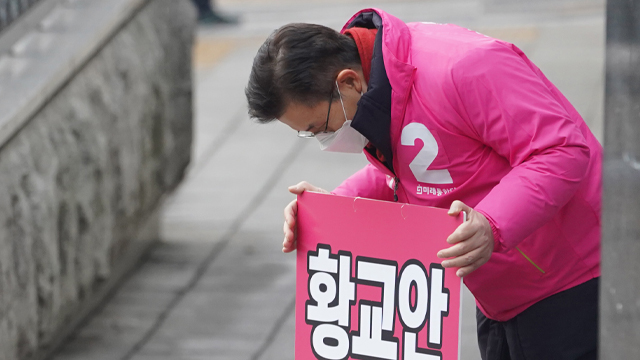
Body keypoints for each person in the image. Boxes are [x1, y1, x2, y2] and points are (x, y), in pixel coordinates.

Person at [245, 8, 601, 360]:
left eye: (318, 127)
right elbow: (414, 168)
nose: (323, 139)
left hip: (570, 280)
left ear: (348, 82)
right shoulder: (383, 84)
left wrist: (492, 223)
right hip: (499, 286)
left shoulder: (465, 67)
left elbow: (561, 150)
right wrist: (332, 210)